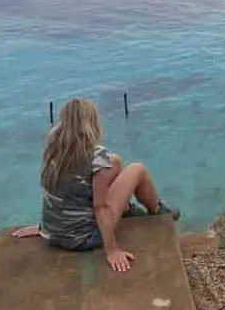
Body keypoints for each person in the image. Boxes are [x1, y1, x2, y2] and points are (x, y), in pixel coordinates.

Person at [11, 98, 179, 273]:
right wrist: (112, 250)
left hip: (54, 234)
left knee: (114, 161)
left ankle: (127, 209)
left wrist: (45, 227)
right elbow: (100, 207)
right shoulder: (96, 157)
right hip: (86, 237)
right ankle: (158, 211)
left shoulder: (54, 150)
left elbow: (54, 193)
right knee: (137, 169)